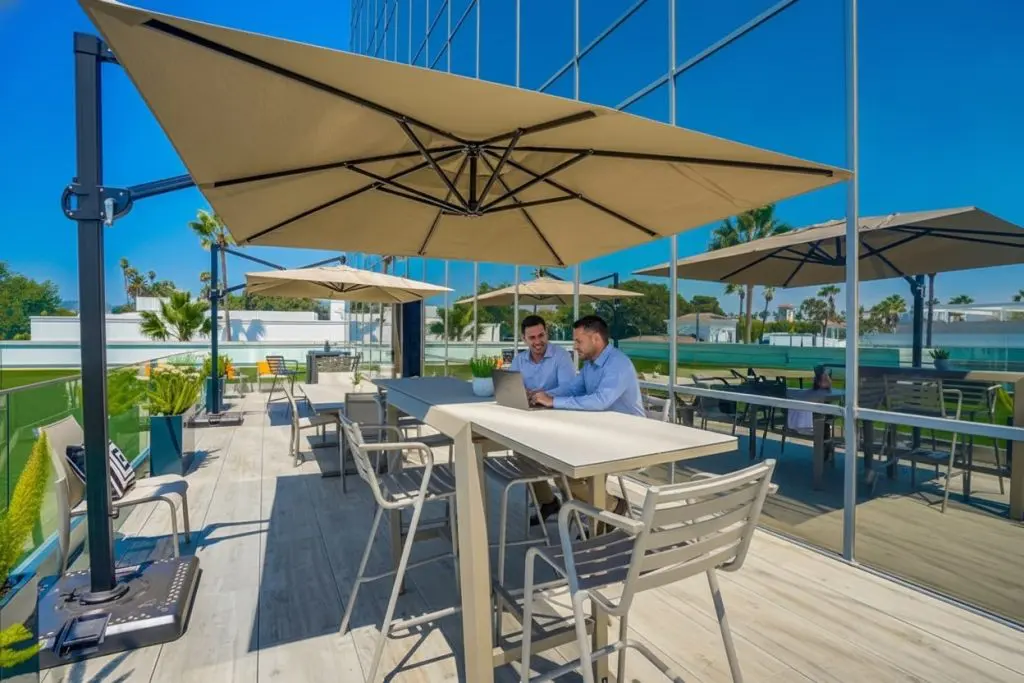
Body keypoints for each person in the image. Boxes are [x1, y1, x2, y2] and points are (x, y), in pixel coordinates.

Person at [529, 314, 645, 522]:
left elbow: (600, 400)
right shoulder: (590, 365)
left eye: (578, 341)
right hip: (601, 434)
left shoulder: (618, 364)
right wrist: (543, 394)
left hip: (629, 439)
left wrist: (552, 402)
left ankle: (607, 511)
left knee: (565, 468)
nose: (574, 346)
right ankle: (604, 512)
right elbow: (573, 388)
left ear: (596, 339)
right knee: (555, 461)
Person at [509, 314, 575, 395]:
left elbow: (568, 389)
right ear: (524, 339)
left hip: (554, 406)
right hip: (525, 406)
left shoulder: (562, 356)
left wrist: (541, 395)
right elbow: (511, 389)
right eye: (532, 337)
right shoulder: (518, 360)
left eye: (541, 335)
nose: (537, 341)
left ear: (546, 333)